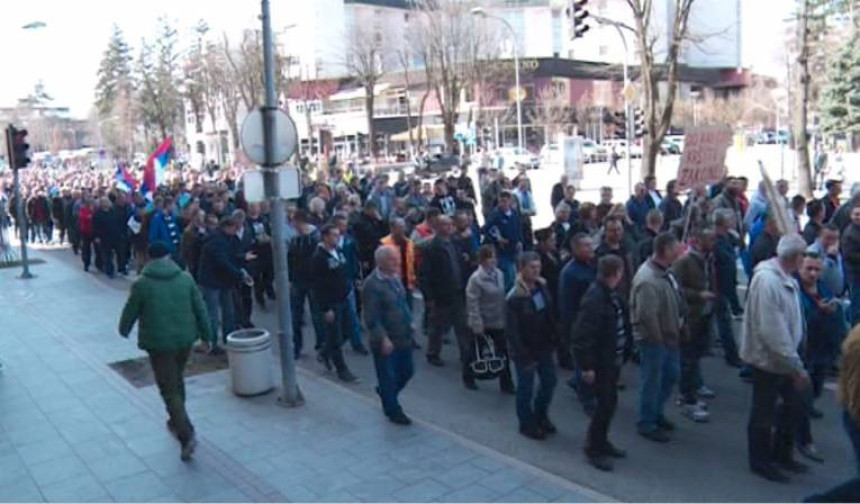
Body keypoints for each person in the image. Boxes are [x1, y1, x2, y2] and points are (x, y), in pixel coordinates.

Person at [118, 241, 212, 461]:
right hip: (185, 340)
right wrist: (208, 337)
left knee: (168, 389)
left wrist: (124, 329)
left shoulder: (142, 283)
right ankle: (176, 419)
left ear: (149, 258)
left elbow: (130, 309)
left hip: (159, 344)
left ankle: (185, 433)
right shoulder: (185, 279)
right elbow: (201, 308)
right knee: (176, 380)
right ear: (169, 256)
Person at [742, 234, 810, 483]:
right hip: (770, 361)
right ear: (795, 257)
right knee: (764, 412)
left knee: (792, 408)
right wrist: (795, 366)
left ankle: (782, 454)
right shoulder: (768, 281)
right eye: (803, 256)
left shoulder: (786, 278)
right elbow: (773, 331)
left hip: (786, 358)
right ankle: (761, 461)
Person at [573, 255, 630, 471]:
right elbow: (582, 335)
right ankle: (593, 447)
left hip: (611, 361)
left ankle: (601, 441)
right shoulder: (595, 298)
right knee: (603, 406)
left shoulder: (609, 295)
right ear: (616, 273)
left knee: (609, 404)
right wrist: (587, 366)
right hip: (600, 363)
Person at [630, 232, 685, 443]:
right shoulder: (648, 280)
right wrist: (659, 340)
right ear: (666, 250)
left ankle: (656, 412)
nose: (680, 249)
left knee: (670, 375)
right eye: (676, 247)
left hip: (669, 336)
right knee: (652, 380)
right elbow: (647, 316)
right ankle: (647, 422)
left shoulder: (665, 272)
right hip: (656, 340)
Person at [796, 251, 848, 463]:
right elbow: (800, 320)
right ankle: (803, 440)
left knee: (815, 388)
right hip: (803, 353)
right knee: (801, 397)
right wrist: (819, 311)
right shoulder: (796, 291)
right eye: (809, 268)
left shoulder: (824, 288)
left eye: (817, 269)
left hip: (823, 353)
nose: (813, 273)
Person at [505, 252, 558, 440]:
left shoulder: (541, 288)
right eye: (532, 267)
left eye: (538, 267)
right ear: (521, 269)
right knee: (525, 388)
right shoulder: (515, 296)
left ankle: (541, 415)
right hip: (526, 350)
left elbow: (549, 314)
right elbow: (512, 331)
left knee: (549, 382)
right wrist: (522, 355)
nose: (536, 271)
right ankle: (526, 423)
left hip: (544, 345)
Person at [363, 246, 416, 425]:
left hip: (403, 335)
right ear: (381, 262)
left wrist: (410, 320)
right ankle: (393, 410)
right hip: (386, 342)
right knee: (388, 375)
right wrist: (382, 338)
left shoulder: (394, 278)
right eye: (392, 260)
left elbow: (402, 301)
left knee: (407, 371)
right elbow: (371, 317)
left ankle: (387, 392)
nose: (397, 262)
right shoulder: (372, 285)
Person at [672, 228, 718, 423]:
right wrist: (698, 295)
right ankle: (686, 398)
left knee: (697, 354)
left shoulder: (709, 259)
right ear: (698, 241)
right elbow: (677, 289)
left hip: (704, 314)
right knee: (688, 358)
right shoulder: (684, 262)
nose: (713, 242)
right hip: (691, 316)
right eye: (709, 239)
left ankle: (695, 387)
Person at [420, 216, 470, 374]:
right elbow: (425, 275)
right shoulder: (432, 247)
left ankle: (466, 354)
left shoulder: (454, 243)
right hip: (441, 293)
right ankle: (433, 353)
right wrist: (429, 297)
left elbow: (459, 262)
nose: (448, 227)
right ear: (437, 226)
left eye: (449, 224)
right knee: (438, 326)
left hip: (457, 290)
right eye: (444, 225)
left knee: (462, 324)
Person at [311, 224, 360, 383]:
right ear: (325, 237)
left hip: (343, 298)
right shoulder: (319, 258)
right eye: (334, 235)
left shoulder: (337, 252)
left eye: (338, 235)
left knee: (346, 330)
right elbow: (317, 286)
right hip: (331, 303)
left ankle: (325, 352)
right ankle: (342, 369)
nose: (337, 237)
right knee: (335, 334)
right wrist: (326, 308)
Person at [197, 216, 252, 355]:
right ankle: (212, 343)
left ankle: (229, 338)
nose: (237, 230)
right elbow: (223, 262)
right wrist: (240, 274)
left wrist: (242, 258)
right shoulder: (216, 241)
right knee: (213, 313)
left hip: (224, 281)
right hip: (212, 282)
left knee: (229, 311)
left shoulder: (228, 239)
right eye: (235, 227)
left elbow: (231, 256)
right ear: (226, 227)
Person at [466, 245, 515, 394]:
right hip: (483, 320)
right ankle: (468, 377)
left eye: (494, 257)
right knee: (476, 351)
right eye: (489, 257)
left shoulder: (499, 274)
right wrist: (476, 323)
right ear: (482, 260)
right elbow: (472, 302)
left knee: (502, 352)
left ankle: (506, 383)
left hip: (498, 319)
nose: (493, 260)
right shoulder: (476, 279)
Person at [288, 211, 326, 358]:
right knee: (296, 316)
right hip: (298, 281)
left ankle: (321, 347)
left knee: (317, 316)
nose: (292, 225)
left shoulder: (316, 238)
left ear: (300, 222)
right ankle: (296, 346)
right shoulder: (296, 239)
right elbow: (291, 259)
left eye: (294, 222)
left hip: (313, 282)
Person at [713, 209, 743, 367]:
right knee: (724, 321)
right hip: (719, 286)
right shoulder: (716, 241)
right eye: (730, 220)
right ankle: (731, 355)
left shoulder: (727, 237)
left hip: (727, 284)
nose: (732, 222)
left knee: (720, 319)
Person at [483, 191, 523, 291]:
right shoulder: (495, 215)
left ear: (510, 201)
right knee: (508, 275)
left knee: (517, 273)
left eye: (505, 201)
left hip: (514, 248)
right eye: (501, 201)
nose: (503, 204)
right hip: (502, 251)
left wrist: (520, 240)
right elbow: (485, 230)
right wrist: (497, 238)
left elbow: (519, 228)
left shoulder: (514, 213)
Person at [808, 223, 845, 297]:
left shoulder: (836, 252)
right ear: (819, 237)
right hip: (821, 298)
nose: (831, 242)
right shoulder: (812, 252)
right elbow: (817, 276)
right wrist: (829, 258)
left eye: (835, 239)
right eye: (828, 238)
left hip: (836, 295)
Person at [843, 203, 860, 325]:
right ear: (851, 216)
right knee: (855, 302)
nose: (858, 217)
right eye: (856, 214)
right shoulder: (849, 233)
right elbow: (849, 255)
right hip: (855, 273)